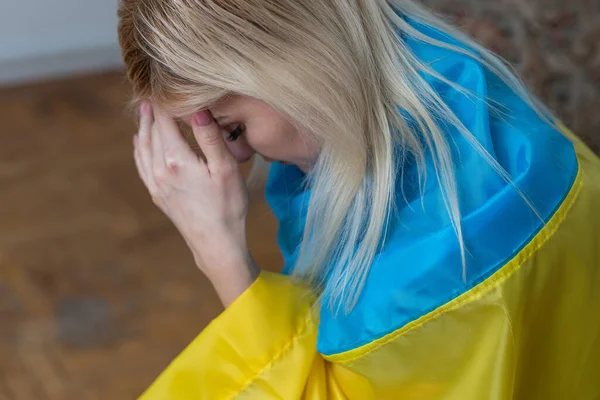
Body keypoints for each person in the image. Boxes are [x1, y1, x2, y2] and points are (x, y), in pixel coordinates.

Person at [117, 0, 600, 398]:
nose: (238, 156)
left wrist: (222, 257)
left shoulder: (437, 263)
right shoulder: (461, 87)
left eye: (232, 129)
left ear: (290, 61)